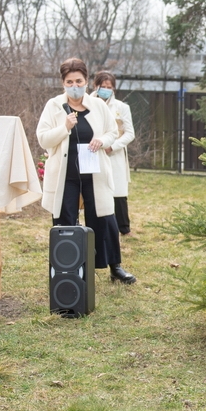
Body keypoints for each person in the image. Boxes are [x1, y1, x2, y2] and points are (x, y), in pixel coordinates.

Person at [37, 58, 136, 285]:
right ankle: (67, 271)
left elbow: (112, 132)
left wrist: (101, 140)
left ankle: (115, 267)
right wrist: (65, 127)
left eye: (79, 81)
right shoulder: (53, 106)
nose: (75, 85)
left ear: (85, 81)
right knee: (65, 222)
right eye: (69, 81)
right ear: (63, 83)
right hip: (65, 175)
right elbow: (43, 139)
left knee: (104, 217)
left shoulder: (98, 106)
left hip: (94, 172)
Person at [93, 71, 135, 236]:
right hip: (94, 152)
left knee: (118, 192)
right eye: (102, 87)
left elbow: (129, 133)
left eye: (108, 87)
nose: (105, 90)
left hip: (114, 154)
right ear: (95, 86)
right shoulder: (87, 103)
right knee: (96, 190)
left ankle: (123, 228)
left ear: (114, 89)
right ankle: (98, 227)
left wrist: (113, 146)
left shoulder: (122, 108)